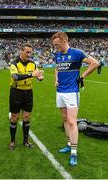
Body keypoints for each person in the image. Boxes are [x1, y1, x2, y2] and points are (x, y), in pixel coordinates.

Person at [52, 32, 99, 166]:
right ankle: (68, 144)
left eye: (57, 44)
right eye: (54, 45)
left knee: (72, 122)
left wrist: (82, 76)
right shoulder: (58, 55)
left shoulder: (77, 53)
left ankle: (74, 153)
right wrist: (56, 79)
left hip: (72, 92)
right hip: (60, 92)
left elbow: (95, 63)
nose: (56, 47)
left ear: (64, 41)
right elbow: (57, 68)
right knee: (65, 119)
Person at [9, 43, 44, 150]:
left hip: (28, 92)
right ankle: (12, 141)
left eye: (30, 52)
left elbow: (37, 74)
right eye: (27, 52)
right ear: (21, 51)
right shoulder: (14, 63)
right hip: (16, 93)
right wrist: (31, 75)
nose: (29, 54)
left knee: (27, 117)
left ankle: (25, 141)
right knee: (14, 118)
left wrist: (40, 77)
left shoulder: (32, 64)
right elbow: (15, 77)